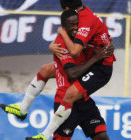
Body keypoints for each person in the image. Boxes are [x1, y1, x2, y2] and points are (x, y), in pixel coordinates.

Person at [25, 0, 116, 139]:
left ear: (67, 9)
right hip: (74, 88)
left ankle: (40, 130)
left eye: (76, 25)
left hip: (98, 71)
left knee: (70, 93)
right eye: (72, 26)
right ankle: (26, 111)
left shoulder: (82, 23)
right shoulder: (76, 24)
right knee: (50, 73)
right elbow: (72, 71)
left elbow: (75, 51)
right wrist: (52, 44)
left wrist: (60, 34)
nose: (75, 27)